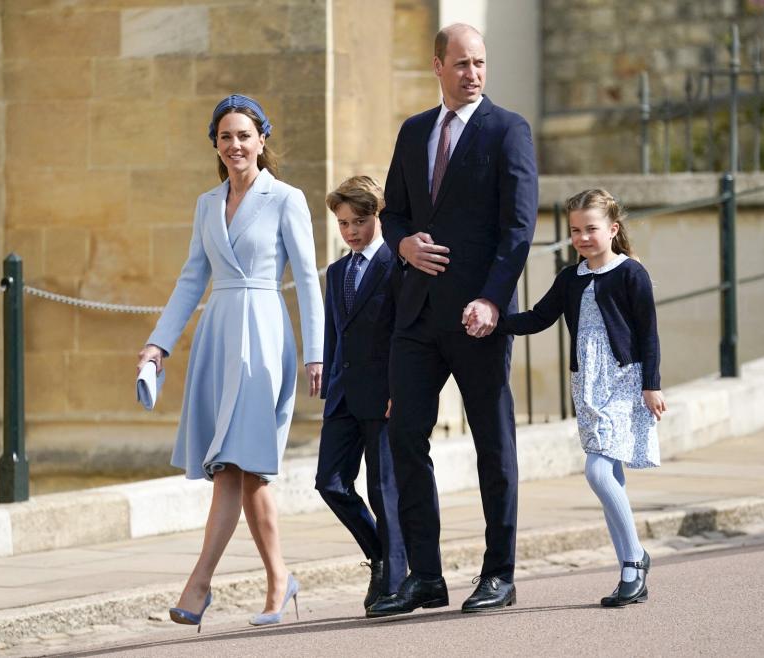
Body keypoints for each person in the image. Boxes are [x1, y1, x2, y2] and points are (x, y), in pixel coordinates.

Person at [366, 24, 538, 617]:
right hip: (416, 317)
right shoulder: (414, 132)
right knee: (404, 438)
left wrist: (492, 299)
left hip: (478, 318)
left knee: (494, 444)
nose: (473, 74)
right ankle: (427, 578)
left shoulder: (508, 130)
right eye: (461, 64)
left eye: (480, 63)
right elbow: (392, 214)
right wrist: (405, 244)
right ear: (437, 65)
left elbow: (518, 231)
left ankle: (500, 573)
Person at [135, 94, 324, 630]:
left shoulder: (286, 198)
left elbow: (308, 280)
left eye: (244, 135)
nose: (235, 145)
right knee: (238, 471)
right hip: (220, 336)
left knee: (240, 468)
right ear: (215, 145)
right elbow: (191, 278)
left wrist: (317, 353)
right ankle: (278, 579)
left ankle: (201, 585)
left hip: (265, 338)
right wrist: (158, 345)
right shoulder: (206, 204)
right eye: (225, 137)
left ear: (262, 139)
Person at [499, 188, 665, 607]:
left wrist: (652, 384)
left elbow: (648, 332)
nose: (582, 237)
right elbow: (538, 317)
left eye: (591, 229)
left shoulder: (631, 273)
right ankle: (630, 567)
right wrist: (494, 322)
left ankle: (634, 560)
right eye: (575, 230)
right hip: (587, 383)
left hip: (624, 382)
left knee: (596, 472)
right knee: (612, 477)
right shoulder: (570, 278)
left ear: (612, 228)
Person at [315, 176, 407, 611]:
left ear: (378, 217)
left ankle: (392, 579)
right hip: (343, 395)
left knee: (382, 487)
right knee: (330, 483)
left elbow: (402, 336)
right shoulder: (336, 273)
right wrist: (330, 384)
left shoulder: (395, 265)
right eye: (343, 223)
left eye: (359, 221)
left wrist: (399, 388)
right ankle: (380, 554)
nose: (351, 231)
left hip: (384, 394)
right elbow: (335, 334)